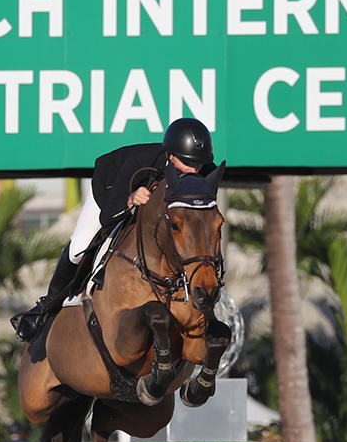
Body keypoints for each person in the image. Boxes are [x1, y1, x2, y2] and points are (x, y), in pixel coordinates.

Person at [11, 118, 218, 343]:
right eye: (187, 162)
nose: (193, 169)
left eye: (198, 164)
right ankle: (44, 308)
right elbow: (107, 216)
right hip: (111, 191)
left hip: (157, 217)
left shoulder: (204, 170)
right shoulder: (140, 163)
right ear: (170, 155)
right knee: (79, 248)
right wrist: (130, 199)